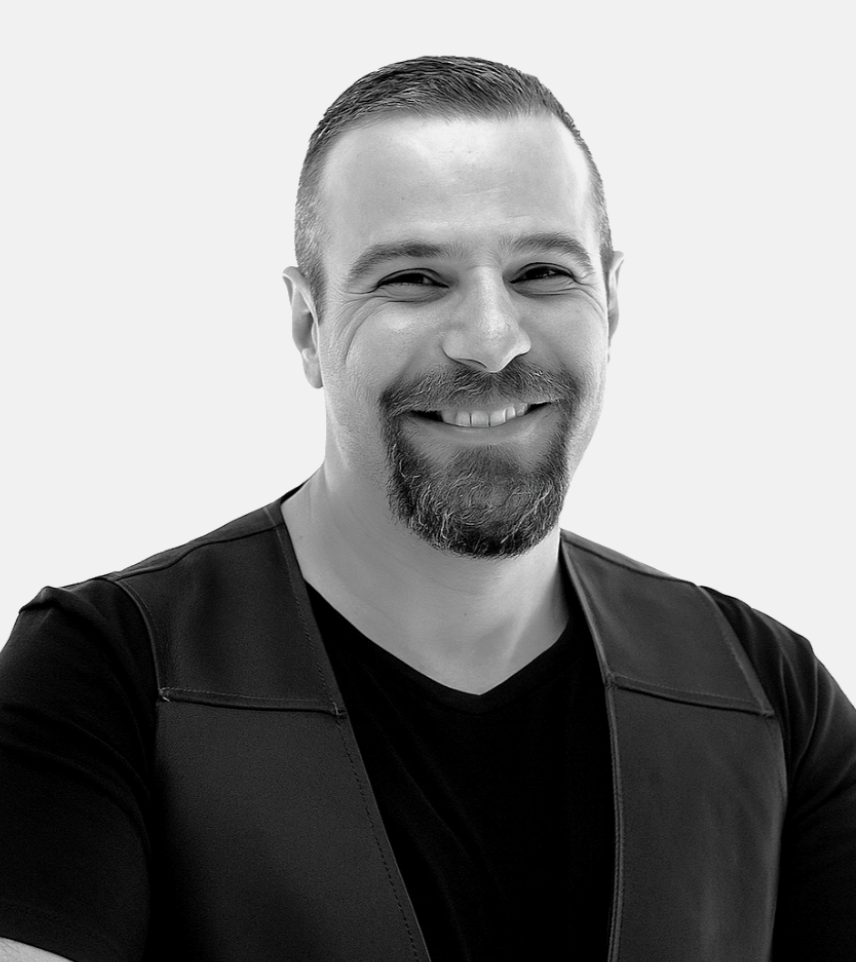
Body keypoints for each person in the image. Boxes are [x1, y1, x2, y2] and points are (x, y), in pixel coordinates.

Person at [0, 55, 854, 962]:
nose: (491, 341)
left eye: (541, 272)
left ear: (613, 299)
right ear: (307, 326)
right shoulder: (107, 675)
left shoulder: (767, 695)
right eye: (413, 278)